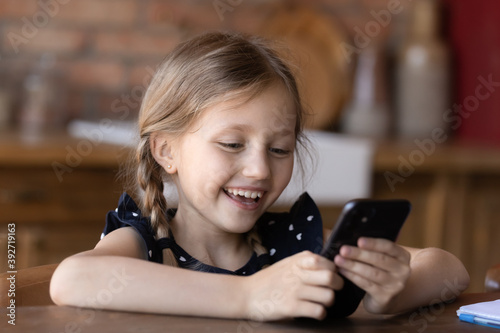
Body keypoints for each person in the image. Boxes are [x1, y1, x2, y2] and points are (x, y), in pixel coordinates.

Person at [50, 31, 469, 321]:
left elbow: (451, 269)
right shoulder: (143, 240)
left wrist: (393, 294)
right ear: (166, 150)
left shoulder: (293, 242)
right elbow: (71, 279)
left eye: (280, 149)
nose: (259, 170)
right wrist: (248, 296)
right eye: (232, 144)